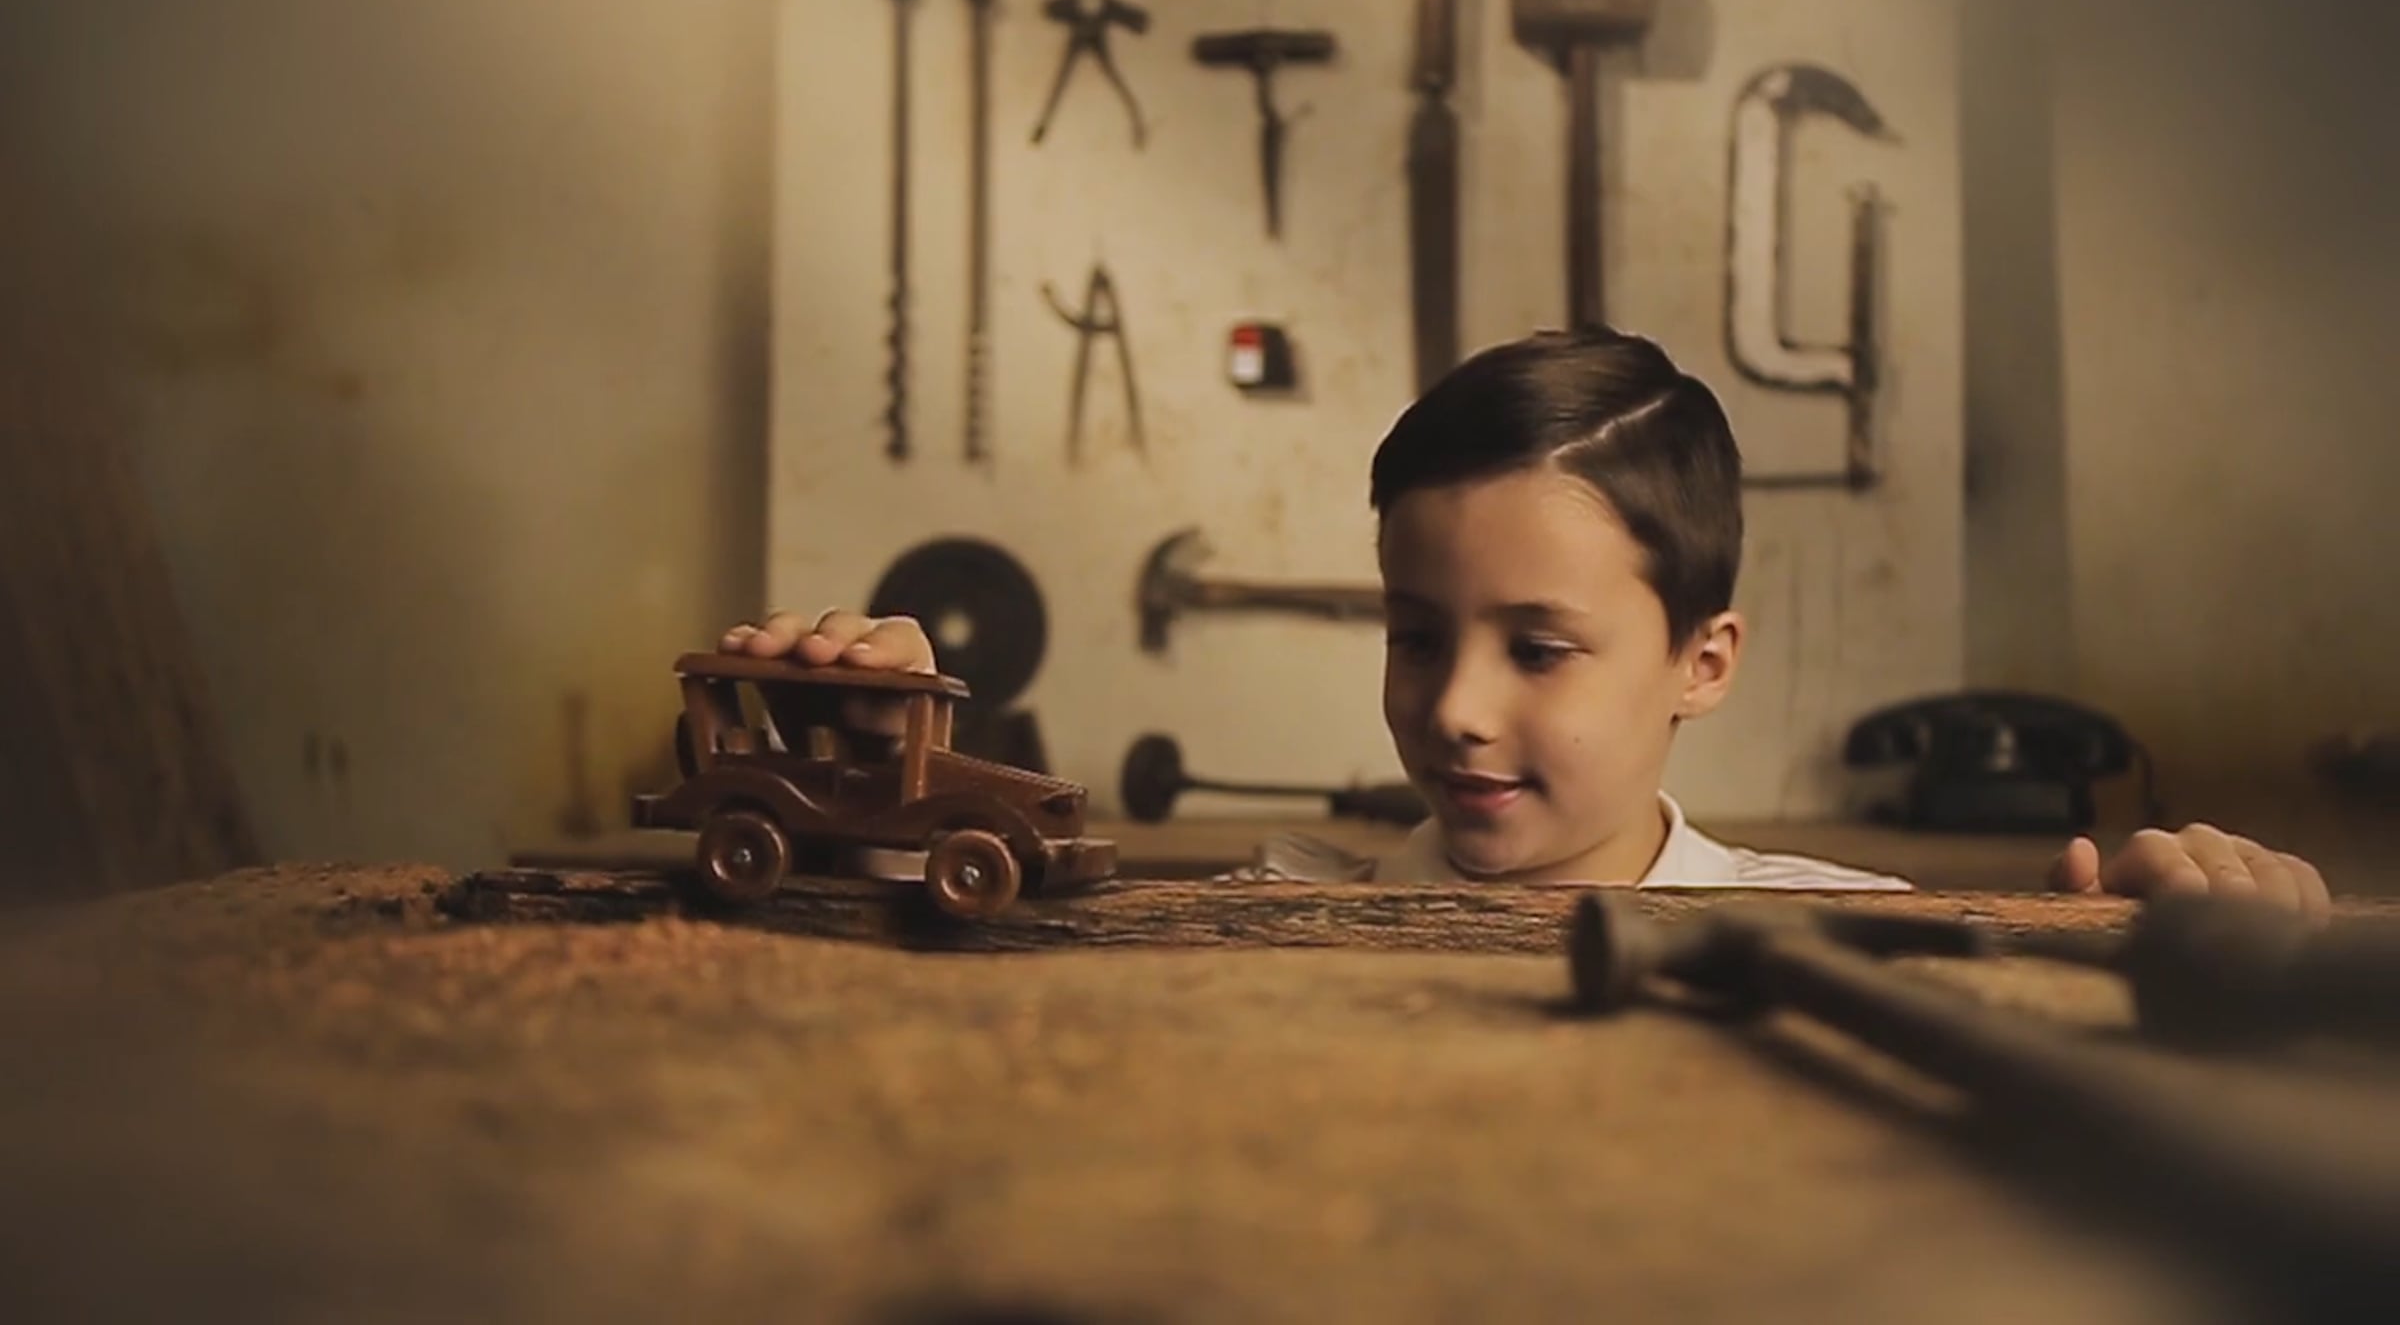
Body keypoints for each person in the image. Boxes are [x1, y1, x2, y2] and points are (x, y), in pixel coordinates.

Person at [720, 328, 2330, 918]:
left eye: (1538, 647)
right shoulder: (1282, 920)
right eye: (1417, 634)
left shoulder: (1848, 925)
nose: (1455, 709)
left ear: (1704, 660)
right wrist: (870, 798)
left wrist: (2193, 929)